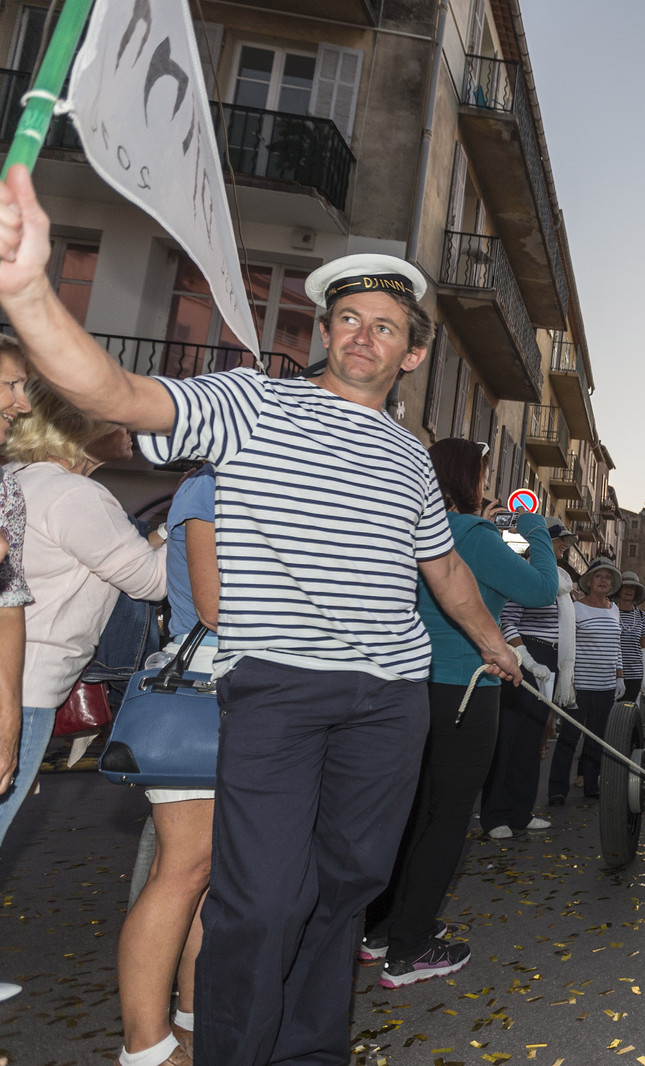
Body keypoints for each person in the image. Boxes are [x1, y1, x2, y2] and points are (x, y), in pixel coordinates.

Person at [0, 169, 523, 1064]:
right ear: (325, 331)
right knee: (262, 897)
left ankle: (309, 1052)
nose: (363, 335)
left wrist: (491, 642)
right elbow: (123, 396)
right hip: (276, 687)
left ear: (411, 355)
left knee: (347, 886)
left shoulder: (409, 458)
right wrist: (29, 294)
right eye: (349, 319)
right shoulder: (252, 404)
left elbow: (439, 566)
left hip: (391, 697)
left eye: (385, 326)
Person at [363, 438, 557, 988]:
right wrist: (533, 527)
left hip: (404, 684)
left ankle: (382, 930)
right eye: (486, 473)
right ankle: (411, 949)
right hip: (464, 688)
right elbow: (541, 588)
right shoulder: (470, 534)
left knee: (408, 813)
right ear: (471, 478)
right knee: (446, 819)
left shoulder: (409, 523)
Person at [0, 378, 167, 849]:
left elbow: (115, 562)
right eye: (115, 415)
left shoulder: (19, 479)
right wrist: (184, 527)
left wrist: (154, 538)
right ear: (79, 426)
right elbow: (152, 580)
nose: (129, 425)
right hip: (25, 686)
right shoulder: (75, 495)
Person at [116, 462, 217, 1066]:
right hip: (202, 688)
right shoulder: (212, 484)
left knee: (205, 875)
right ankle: (145, 1045)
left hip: (226, 691)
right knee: (182, 872)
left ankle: (187, 1018)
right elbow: (214, 606)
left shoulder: (210, 484)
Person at [480, 521, 578, 839]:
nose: (565, 545)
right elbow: (506, 620)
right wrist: (528, 659)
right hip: (522, 656)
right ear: (541, 542)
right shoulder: (525, 572)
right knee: (507, 739)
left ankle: (521, 812)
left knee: (531, 741)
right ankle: (495, 816)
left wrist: (556, 668)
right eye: (560, 540)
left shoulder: (559, 581)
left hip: (547, 661)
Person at [0, 336, 30, 1007]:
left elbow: (9, 601)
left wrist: (6, 707)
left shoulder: (8, 480)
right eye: (6, 385)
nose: (19, 404)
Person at [547, 558, 625, 806]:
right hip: (579, 685)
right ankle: (557, 790)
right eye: (599, 577)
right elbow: (566, 644)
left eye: (608, 578)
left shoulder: (614, 609)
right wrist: (565, 679)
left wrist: (619, 675)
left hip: (605, 686)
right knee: (569, 737)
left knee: (597, 739)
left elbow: (617, 645)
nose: (604, 581)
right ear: (589, 581)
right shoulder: (575, 608)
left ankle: (591, 784)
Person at [615, 571, 645, 703]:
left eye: (633, 587)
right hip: (611, 674)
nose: (629, 590)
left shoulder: (642, 616)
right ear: (619, 589)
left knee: (627, 715)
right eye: (625, 586)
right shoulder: (610, 612)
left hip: (635, 675)